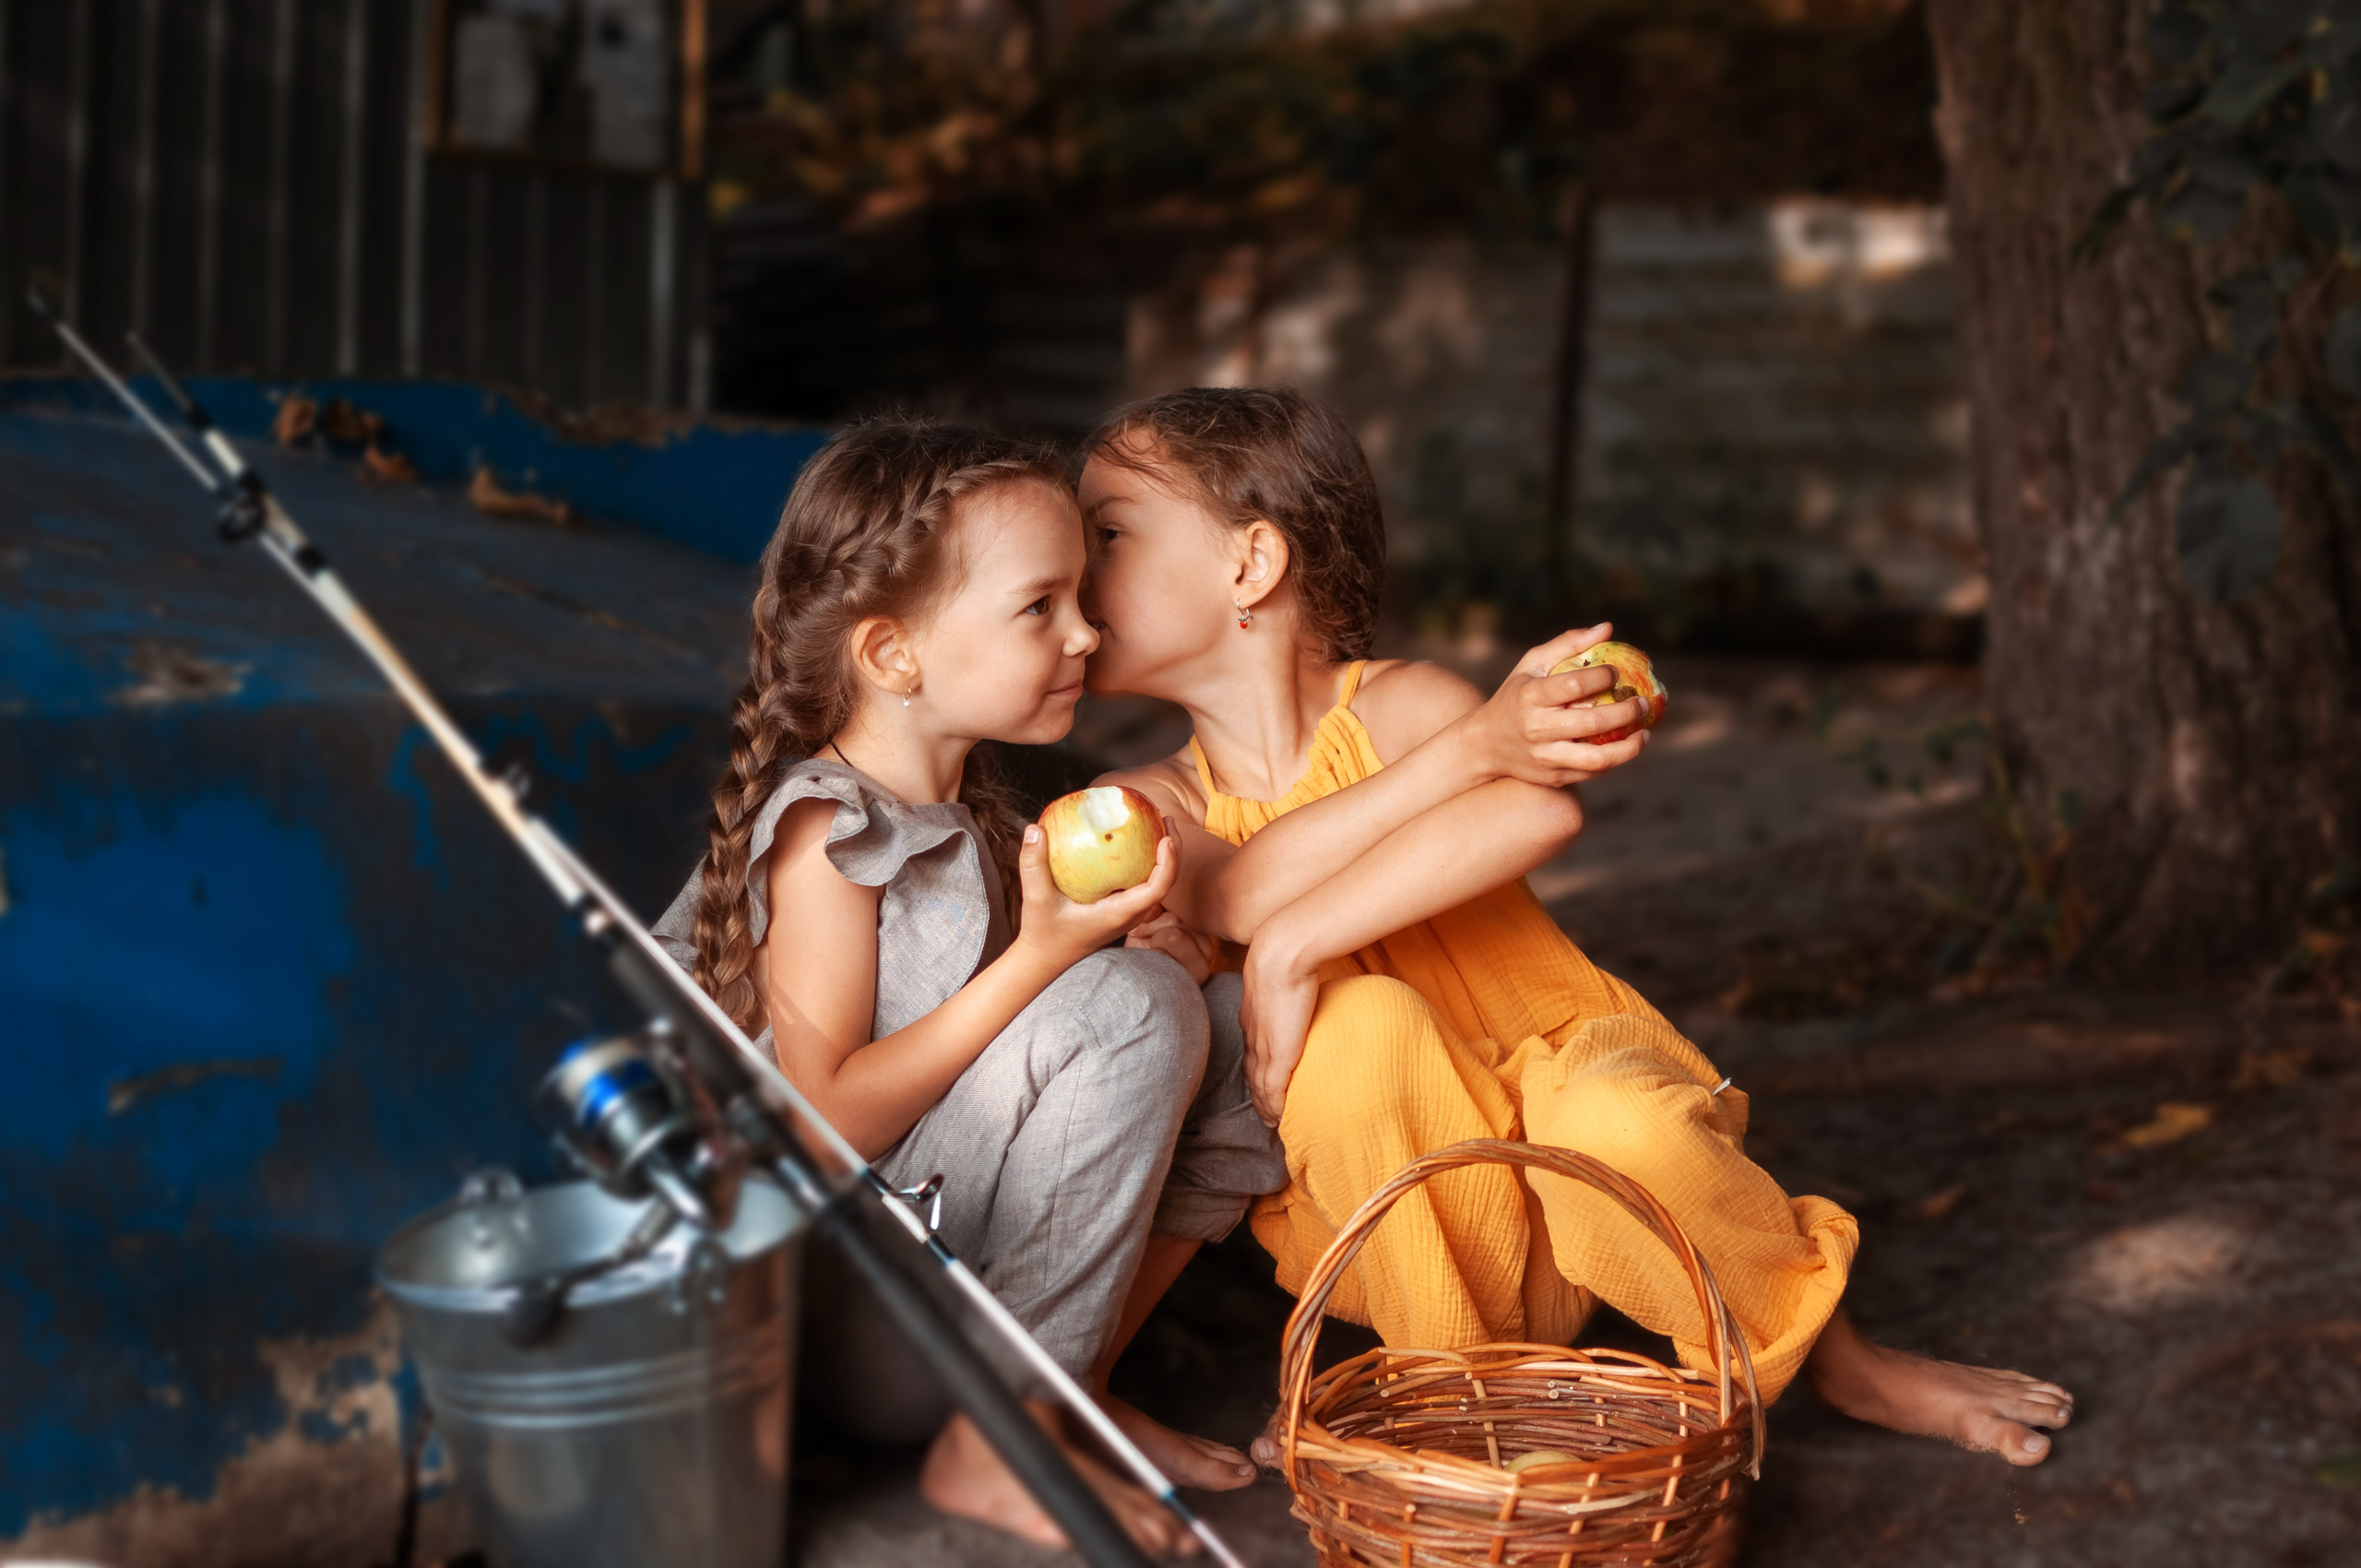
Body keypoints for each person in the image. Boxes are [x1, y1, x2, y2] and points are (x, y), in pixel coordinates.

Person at [1077, 385, 2077, 1468]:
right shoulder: (1141, 805)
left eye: (1109, 532)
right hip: (1416, 1245)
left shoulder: (1404, 706)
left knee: (1622, 1120)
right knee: (1356, 1028)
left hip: (1596, 1178)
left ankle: (1846, 1362)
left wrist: (1296, 941)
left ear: (1249, 563)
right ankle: (1440, 1394)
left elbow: (1536, 803)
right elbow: (1229, 893)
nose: (1077, 570)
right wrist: (1307, 914)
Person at [652, 416, 1283, 1555]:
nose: (1088, 630)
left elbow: (1003, 1075)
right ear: (894, 655)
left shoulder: (973, 820)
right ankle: (995, 1440)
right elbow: (826, 1119)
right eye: (1041, 606)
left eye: (1081, 595)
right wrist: (1053, 962)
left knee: (1232, 1018)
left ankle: (1060, 1393)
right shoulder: (823, 832)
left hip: (956, 1295)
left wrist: (1125, 952)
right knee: (1127, 1011)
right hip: (860, 1321)